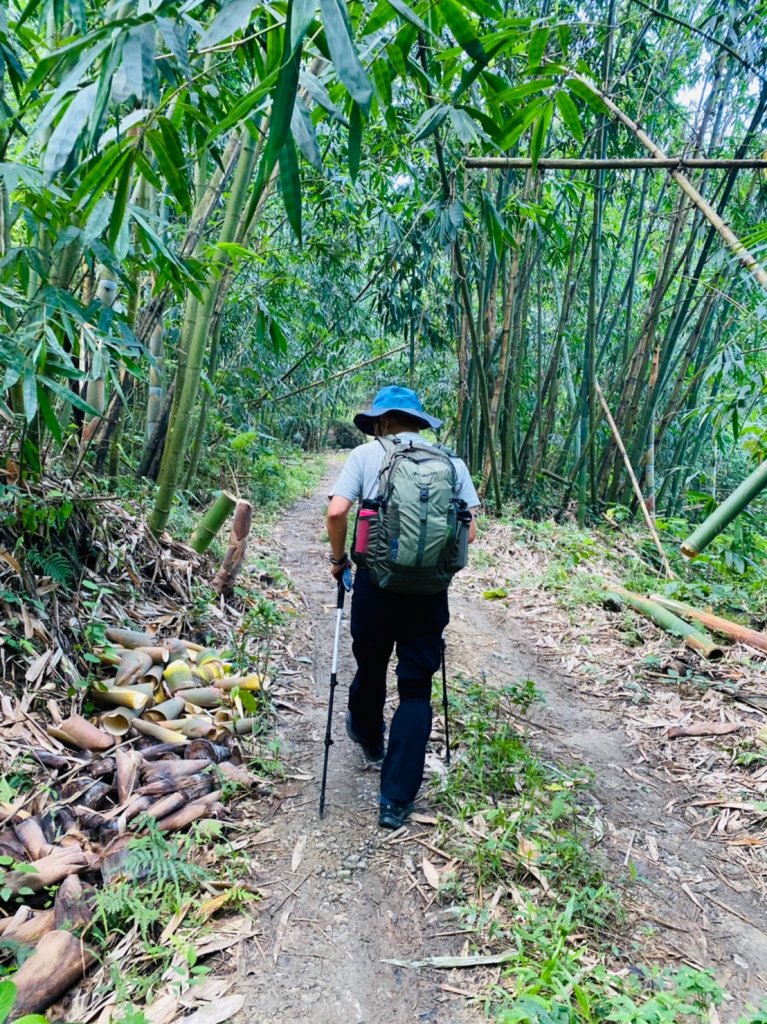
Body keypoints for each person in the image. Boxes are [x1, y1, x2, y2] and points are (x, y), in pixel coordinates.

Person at [326, 385, 479, 829]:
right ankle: (395, 800)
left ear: (382, 421)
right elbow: (468, 534)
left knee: (370, 664)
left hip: (376, 583)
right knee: (416, 688)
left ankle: (369, 736)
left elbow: (337, 514)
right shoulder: (452, 463)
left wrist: (339, 562)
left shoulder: (365, 456)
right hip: (429, 592)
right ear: (420, 422)